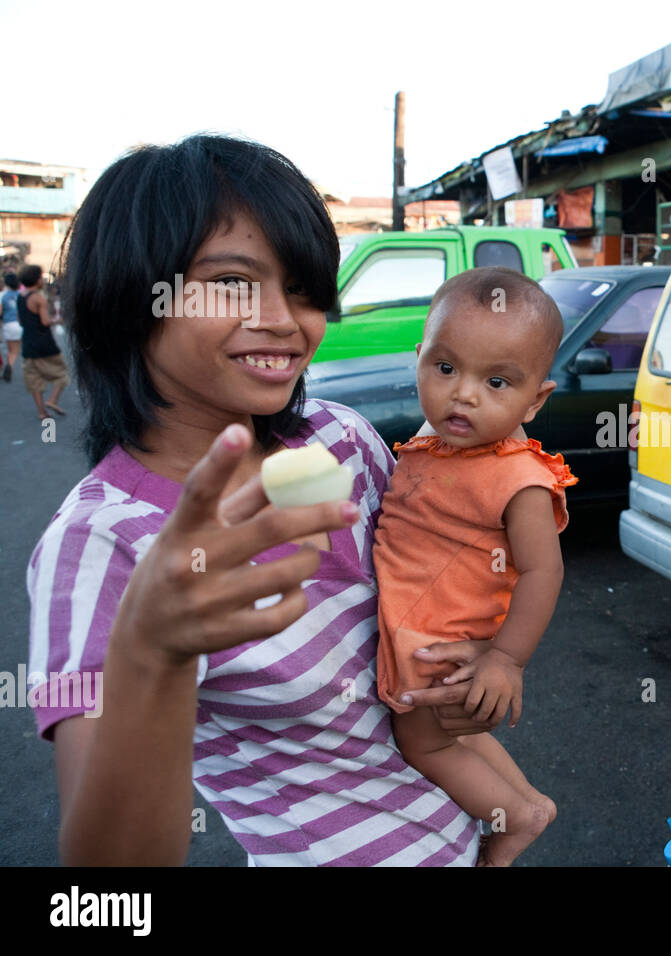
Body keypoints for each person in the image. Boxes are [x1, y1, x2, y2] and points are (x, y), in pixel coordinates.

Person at [28, 134, 499, 866]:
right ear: (131, 294)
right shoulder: (101, 544)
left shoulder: (342, 438)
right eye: (235, 284)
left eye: (304, 288)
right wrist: (153, 652)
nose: (284, 320)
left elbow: (426, 609)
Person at [374, 267, 575, 866]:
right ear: (419, 359)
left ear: (535, 400)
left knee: (421, 738)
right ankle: (530, 803)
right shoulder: (433, 437)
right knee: (452, 731)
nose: (463, 394)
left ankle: (512, 820)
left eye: (496, 381)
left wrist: (505, 659)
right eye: (445, 368)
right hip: (418, 616)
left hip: (443, 639)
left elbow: (545, 572)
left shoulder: (520, 480)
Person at [16, 263, 69, 419]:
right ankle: (52, 400)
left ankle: (41, 412)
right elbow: (45, 322)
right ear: (36, 279)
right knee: (62, 374)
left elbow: (21, 320)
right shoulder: (39, 298)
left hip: (28, 343)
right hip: (44, 343)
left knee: (34, 380)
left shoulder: (21, 297)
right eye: (40, 277)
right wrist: (57, 320)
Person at [1, 271, 20, 382]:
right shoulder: (20, 295)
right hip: (18, 324)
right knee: (15, 351)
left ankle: (8, 365)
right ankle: (10, 366)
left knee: (10, 349)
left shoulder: (3, 296)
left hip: (7, 324)